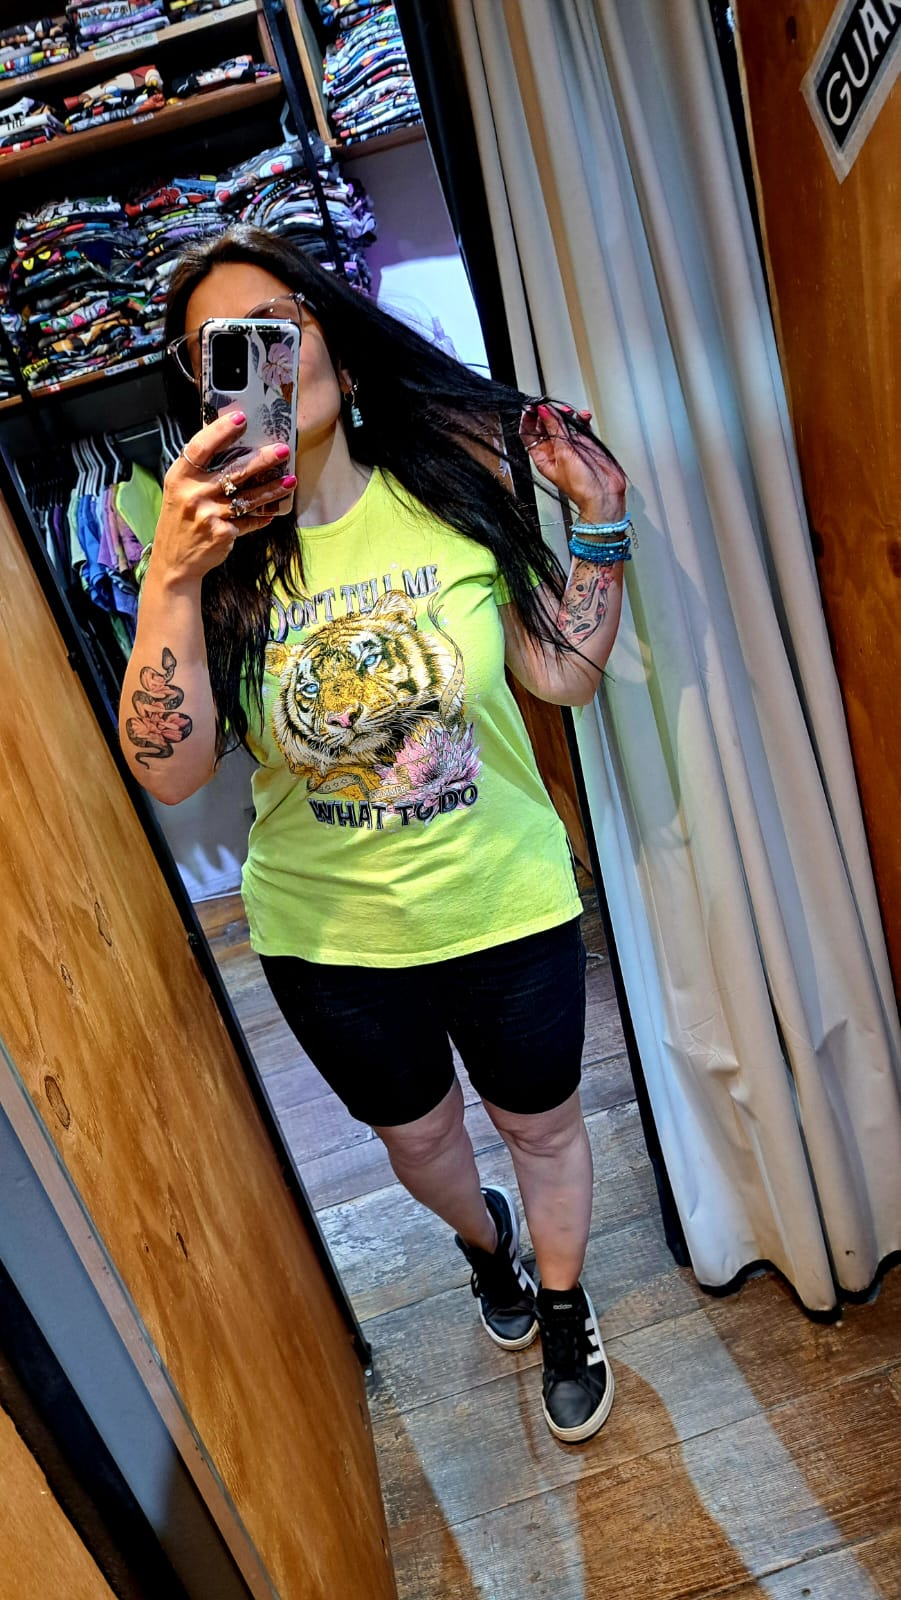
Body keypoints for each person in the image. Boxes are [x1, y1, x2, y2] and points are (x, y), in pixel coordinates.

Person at [120, 226, 630, 1445]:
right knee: (421, 1141)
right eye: (224, 345)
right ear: (206, 390)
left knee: (543, 1124)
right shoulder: (207, 563)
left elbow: (560, 675)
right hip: (332, 940)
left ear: (339, 353)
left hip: (502, 897)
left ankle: (565, 1304)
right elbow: (170, 768)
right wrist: (170, 580)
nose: (264, 351)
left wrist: (600, 519)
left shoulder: (449, 495)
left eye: (283, 320)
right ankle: (487, 1242)